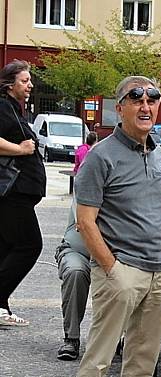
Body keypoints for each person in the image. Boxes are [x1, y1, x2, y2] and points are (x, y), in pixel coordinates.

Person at [68, 75, 161, 377]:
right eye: (136, 99)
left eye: (152, 99)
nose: (146, 106)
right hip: (122, 271)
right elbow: (85, 221)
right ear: (120, 107)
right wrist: (112, 269)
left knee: (143, 357)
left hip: (159, 271)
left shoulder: (159, 151)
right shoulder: (101, 155)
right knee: (98, 359)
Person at [0, 60, 46, 327]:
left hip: (19, 193)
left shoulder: (14, 109)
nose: (30, 85)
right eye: (25, 81)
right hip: (12, 193)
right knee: (29, 245)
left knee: (6, 247)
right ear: (9, 84)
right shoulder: (3, 107)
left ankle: (2, 308)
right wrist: (20, 150)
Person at [54, 201, 90, 361]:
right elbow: (84, 222)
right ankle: (71, 337)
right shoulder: (86, 181)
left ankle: (120, 337)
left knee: (126, 276)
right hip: (78, 249)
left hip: (118, 251)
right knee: (75, 272)